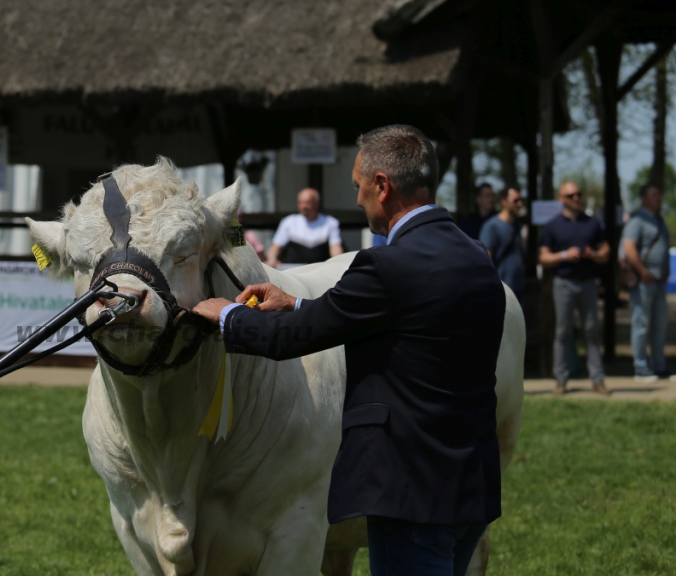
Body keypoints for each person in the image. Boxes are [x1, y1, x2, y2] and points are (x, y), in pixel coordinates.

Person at [194, 125, 505, 576]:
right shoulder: (476, 257)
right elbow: (402, 318)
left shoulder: (385, 266)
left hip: (410, 494)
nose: (357, 199)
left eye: (359, 186)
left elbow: (290, 340)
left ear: (382, 186)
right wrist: (296, 303)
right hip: (470, 486)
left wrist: (226, 315)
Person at [539, 182, 610, 397]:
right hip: (564, 283)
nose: (577, 198)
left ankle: (597, 380)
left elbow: (606, 251)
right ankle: (561, 380)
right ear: (562, 199)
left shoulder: (592, 223)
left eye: (579, 194)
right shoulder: (552, 225)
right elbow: (543, 257)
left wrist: (594, 255)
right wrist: (564, 255)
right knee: (562, 332)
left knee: (591, 331)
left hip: (588, 282)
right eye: (572, 195)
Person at [622, 184, 672, 382]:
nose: (659, 198)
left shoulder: (659, 220)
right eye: (654, 194)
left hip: (659, 281)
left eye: (659, 194)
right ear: (644, 198)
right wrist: (643, 272)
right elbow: (629, 247)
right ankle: (641, 368)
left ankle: (659, 366)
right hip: (644, 281)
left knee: (660, 324)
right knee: (641, 324)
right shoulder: (637, 220)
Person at [265, 188, 343, 266]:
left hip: (320, 272)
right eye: (300, 203)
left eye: (307, 203)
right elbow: (275, 247)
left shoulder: (330, 223)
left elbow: (336, 249)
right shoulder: (288, 222)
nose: (303, 206)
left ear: (317, 204)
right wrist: (272, 260)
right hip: (293, 272)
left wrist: (338, 263)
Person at [480, 186, 525, 302]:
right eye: (515, 200)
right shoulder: (492, 226)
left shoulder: (518, 226)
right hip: (501, 290)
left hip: (518, 289)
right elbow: (486, 261)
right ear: (504, 202)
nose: (519, 204)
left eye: (521, 200)